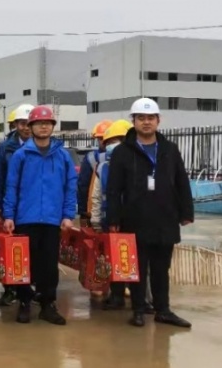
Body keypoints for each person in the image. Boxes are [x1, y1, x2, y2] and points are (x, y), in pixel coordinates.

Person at [107, 98, 194, 329]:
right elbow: (113, 189)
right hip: (135, 218)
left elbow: (182, 181)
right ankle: (138, 310)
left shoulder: (169, 149)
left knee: (161, 269)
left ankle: (163, 310)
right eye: (141, 118)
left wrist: (186, 212)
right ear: (133, 121)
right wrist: (113, 219)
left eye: (151, 118)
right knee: (136, 268)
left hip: (165, 217)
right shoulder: (122, 152)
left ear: (158, 120)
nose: (146, 122)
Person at [3, 105, 77, 326]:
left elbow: (70, 187)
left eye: (47, 123)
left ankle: (48, 305)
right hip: (26, 218)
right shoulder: (21, 155)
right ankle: (24, 302)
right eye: (39, 123)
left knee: (49, 264)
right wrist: (9, 215)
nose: (43, 127)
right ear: (31, 126)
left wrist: (68, 214)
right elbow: (11, 186)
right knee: (25, 263)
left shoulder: (62, 156)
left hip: (52, 219)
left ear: (52, 127)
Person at [0, 103, 34, 308]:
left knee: (33, 249)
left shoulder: (44, 146)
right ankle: (9, 289)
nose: (25, 128)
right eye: (21, 123)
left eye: (28, 123)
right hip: (11, 205)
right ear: (15, 125)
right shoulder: (6, 148)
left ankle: (30, 288)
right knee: (11, 249)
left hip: (34, 206)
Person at [89, 119, 133, 306]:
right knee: (114, 258)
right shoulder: (102, 167)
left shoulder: (138, 166)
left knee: (135, 260)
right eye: (110, 142)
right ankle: (116, 296)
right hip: (110, 221)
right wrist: (96, 221)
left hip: (134, 221)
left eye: (119, 140)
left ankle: (142, 299)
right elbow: (96, 196)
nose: (114, 145)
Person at [78, 120, 112, 226]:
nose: (103, 141)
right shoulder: (91, 158)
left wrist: (82, 212)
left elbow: (82, 186)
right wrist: (83, 212)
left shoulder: (91, 158)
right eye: (101, 138)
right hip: (96, 211)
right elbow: (83, 187)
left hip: (99, 211)